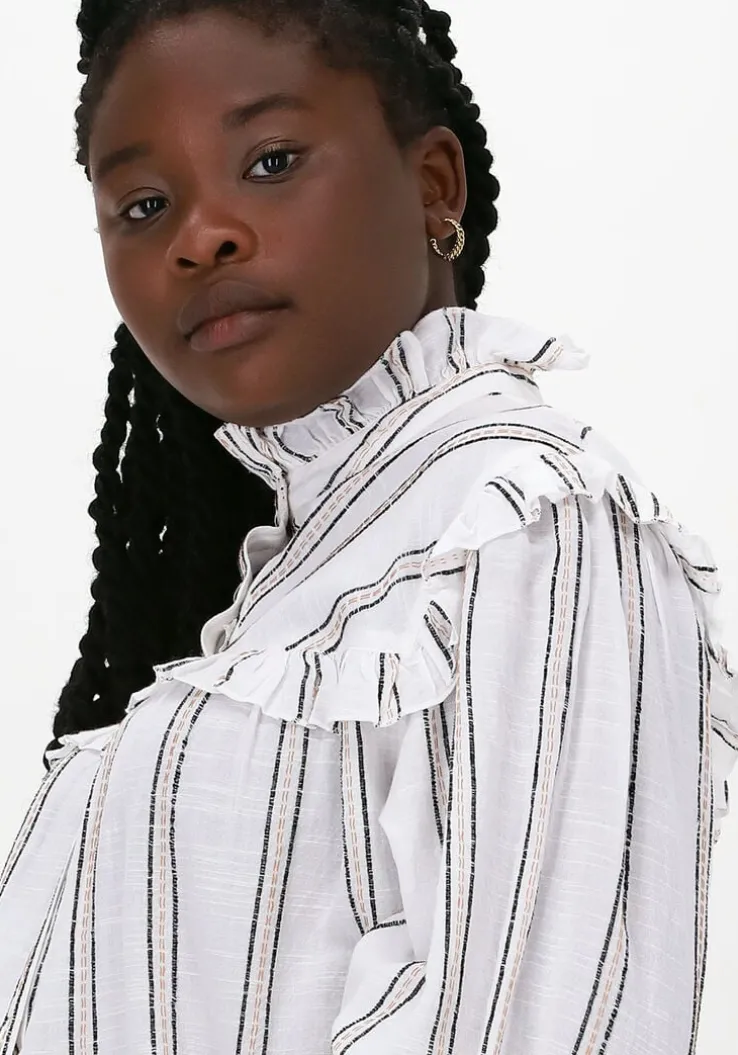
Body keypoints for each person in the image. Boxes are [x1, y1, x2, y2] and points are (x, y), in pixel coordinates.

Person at [1, 1, 736, 1052]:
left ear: (435, 186)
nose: (201, 237)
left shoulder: (527, 524)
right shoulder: (276, 594)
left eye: (271, 161)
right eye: (146, 204)